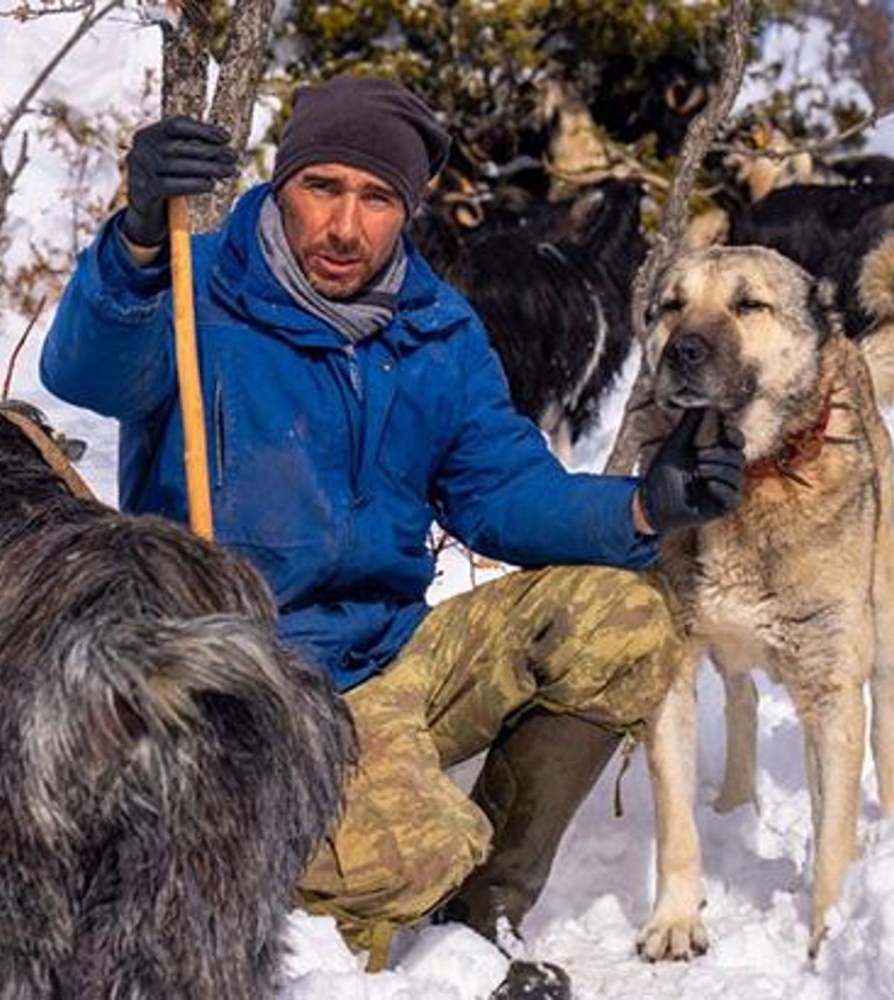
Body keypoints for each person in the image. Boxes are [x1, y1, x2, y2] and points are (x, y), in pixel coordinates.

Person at [41, 75, 744, 997]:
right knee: (417, 851)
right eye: (321, 188)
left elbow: (502, 492)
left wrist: (644, 508)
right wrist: (134, 238)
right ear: (281, 182)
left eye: (376, 199)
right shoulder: (194, 283)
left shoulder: (435, 330)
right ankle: (316, 928)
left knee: (626, 620)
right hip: (237, 685)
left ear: (408, 210)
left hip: (388, 656)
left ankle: (484, 909)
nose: (344, 226)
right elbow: (83, 372)